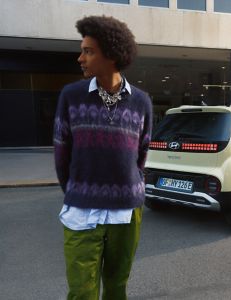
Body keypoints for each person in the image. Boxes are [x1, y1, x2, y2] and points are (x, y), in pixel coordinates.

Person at [53, 15, 152, 300]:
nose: (80, 58)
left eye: (88, 51)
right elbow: (62, 154)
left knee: (117, 286)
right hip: (82, 210)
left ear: (111, 54)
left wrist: (130, 185)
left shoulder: (142, 101)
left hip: (127, 210)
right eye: (82, 50)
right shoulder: (71, 96)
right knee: (82, 291)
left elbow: (142, 152)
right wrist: (76, 191)